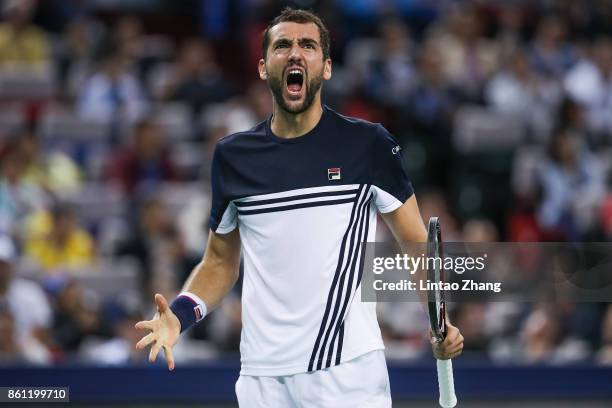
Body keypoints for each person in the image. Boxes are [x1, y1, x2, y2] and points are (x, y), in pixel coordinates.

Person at [135, 8, 463, 407]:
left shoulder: (369, 145)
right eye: (282, 45)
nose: (295, 54)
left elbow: (416, 245)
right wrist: (181, 315)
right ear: (262, 67)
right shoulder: (232, 157)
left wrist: (438, 320)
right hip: (261, 376)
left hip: (347, 371)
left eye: (307, 46)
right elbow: (220, 262)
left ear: (325, 68)